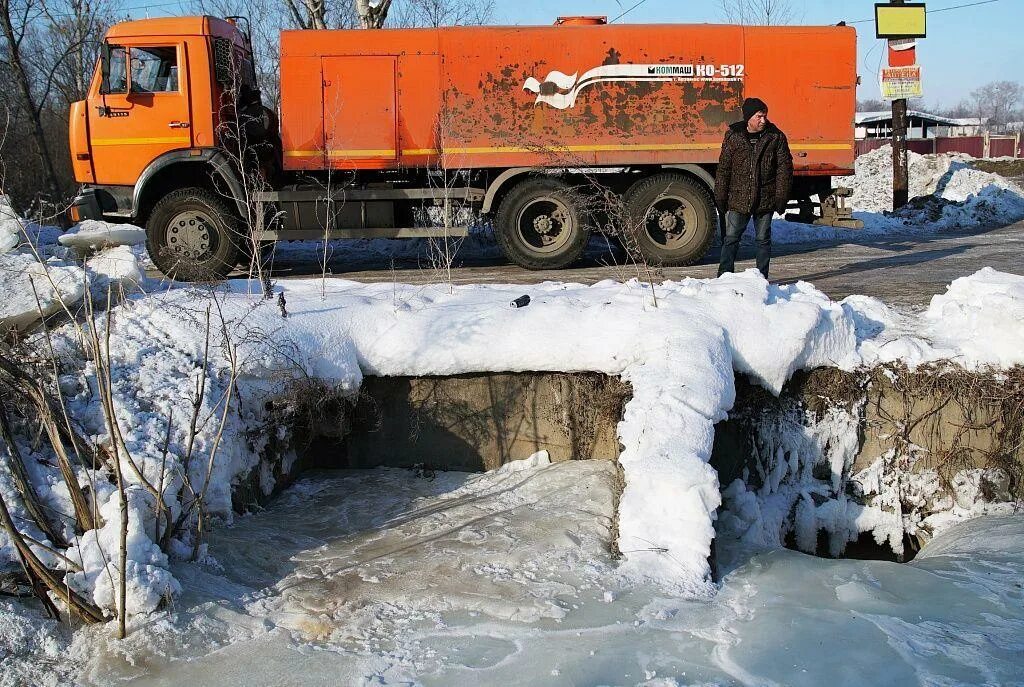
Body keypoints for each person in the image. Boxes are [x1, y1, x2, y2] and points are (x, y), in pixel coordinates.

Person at [714, 97, 793, 278]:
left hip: (765, 198)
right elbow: (724, 168)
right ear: (749, 117)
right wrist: (720, 196)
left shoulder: (776, 137)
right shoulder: (734, 136)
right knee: (731, 239)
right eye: (759, 116)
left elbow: (784, 169)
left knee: (763, 240)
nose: (763, 120)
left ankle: (761, 279)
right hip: (739, 199)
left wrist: (781, 197)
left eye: (764, 116)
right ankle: (724, 277)